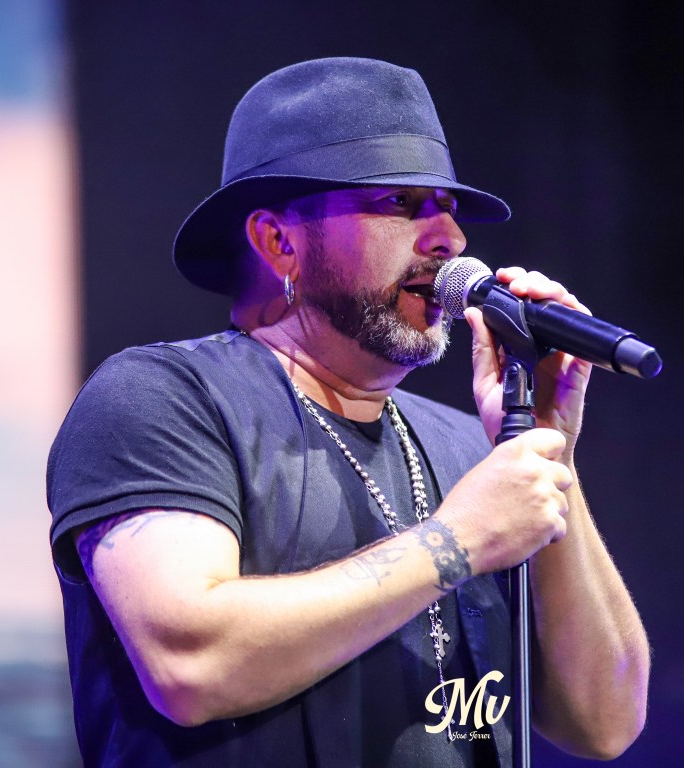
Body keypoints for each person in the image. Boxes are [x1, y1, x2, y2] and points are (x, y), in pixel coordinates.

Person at [48, 57, 649, 767]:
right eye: (399, 202)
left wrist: (548, 449)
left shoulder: (473, 452)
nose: (449, 240)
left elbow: (606, 721)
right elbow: (191, 664)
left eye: (447, 208)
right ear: (279, 241)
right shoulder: (163, 399)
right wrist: (457, 540)